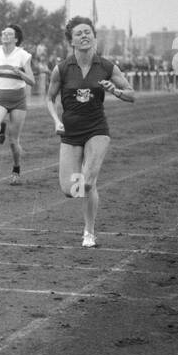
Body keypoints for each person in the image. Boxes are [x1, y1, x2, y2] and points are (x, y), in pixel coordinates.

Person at [46, 16, 135, 248]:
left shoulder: (106, 66)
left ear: (94, 37)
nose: (84, 36)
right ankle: (89, 183)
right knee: (71, 190)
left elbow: (131, 94)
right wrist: (56, 120)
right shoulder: (61, 69)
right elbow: (49, 98)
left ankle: (89, 232)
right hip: (71, 132)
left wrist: (115, 90)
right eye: (79, 33)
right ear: (71, 41)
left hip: (97, 129)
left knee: (86, 183)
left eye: (87, 32)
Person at [0, 23, 36, 184]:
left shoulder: (23, 55)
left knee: (13, 142)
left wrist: (20, 73)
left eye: (9, 33)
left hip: (18, 101)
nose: (5, 35)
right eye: (3, 33)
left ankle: (16, 169)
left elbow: (32, 81)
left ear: (16, 39)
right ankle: (1, 127)